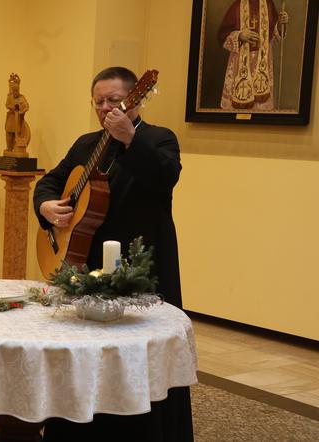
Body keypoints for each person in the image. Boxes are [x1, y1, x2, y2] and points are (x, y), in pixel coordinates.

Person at [33, 67, 192, 441]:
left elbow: (166, 176)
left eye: (114, 100)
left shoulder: (158, 138)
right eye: (99, 101)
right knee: (85, 358)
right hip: (86, 268)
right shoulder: (86, 143)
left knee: (137, 362)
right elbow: (50, 181)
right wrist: (46, 208)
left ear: (134, 99)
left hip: (141, 269)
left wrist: (130, 139)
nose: (106, 108)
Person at [218, 0, 289, 110]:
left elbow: (273, 36)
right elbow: (222, 34)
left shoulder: (268, 4)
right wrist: (240, 35)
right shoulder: (237, 6)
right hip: (240, 61)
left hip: (262, 61)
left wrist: (280, 24)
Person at [4, 73, 31, 152]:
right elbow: (7, 105)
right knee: (9, 134)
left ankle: (16, 148)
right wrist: (12, 107)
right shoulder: (10, 96)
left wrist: (21, 111)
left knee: (16, 135)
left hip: (17, 119)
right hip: (11, 118)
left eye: (17, 91)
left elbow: (26, 107)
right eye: (14, 91)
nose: (15, 92)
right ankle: (9, 148)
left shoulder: (22, 98)